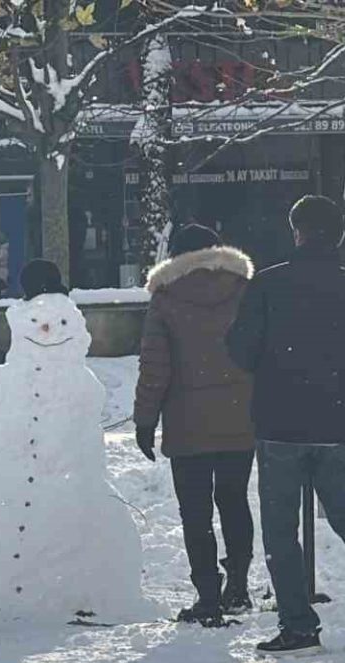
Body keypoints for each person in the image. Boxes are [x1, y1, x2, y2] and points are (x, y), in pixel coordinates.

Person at [225, 196, 345, 657]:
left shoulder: (268, 286)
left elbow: (240, 351)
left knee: (281, 531)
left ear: (296, 232)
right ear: (340, 236)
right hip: (337, 424)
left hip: (280, 423)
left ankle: (299, 626)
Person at [134, 224, 257, 626]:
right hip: (240, 414)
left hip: (187, 421)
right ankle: (238, 584)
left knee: (196, 511)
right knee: (235, 500)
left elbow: (155, 367)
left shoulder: (166, 297)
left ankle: (207, 594)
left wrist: (145, 419)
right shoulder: (243, 289)